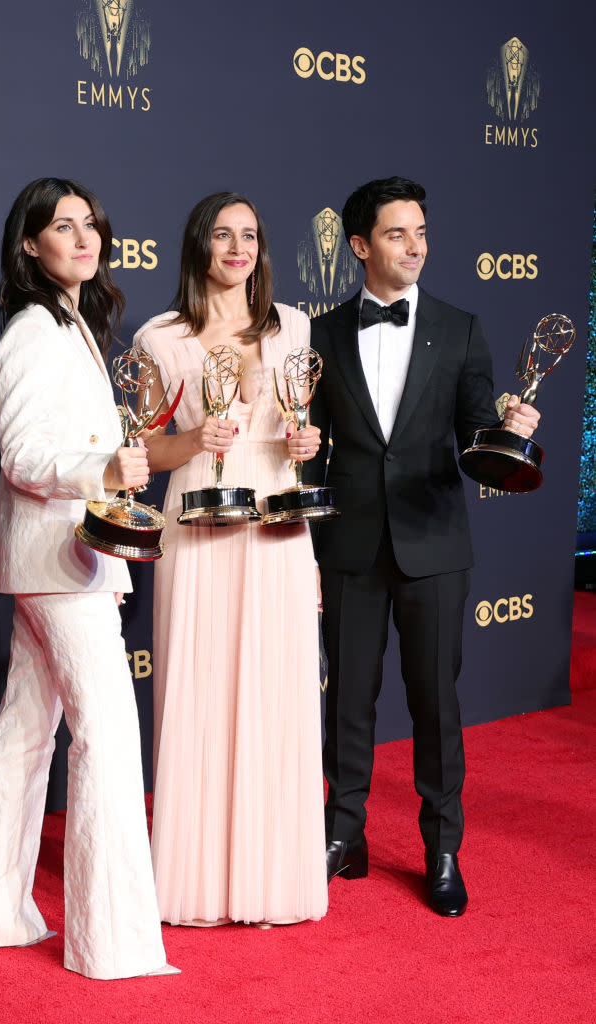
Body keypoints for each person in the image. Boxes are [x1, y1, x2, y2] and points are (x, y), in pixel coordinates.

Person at [0, 177, 176, 979]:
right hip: (59, 562)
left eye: (93, 226)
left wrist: (108, 466)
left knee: (23, 736)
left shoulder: (71, 323)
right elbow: (20, 458)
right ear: (29, 245)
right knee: (106, 736)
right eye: (64, 227)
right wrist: (101, 465)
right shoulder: (31, 333)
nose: (85, 239)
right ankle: (107, 942)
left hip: (62, 560)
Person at [306, 176, 540, 916]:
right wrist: (305, 543)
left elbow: (477, 434)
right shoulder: (319, 334)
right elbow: (308, 451)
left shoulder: (460, 327)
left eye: (421, 234)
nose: (415, 247)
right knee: (346, 699)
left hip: (434, 543)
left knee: (435, 702)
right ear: (358, 247)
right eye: (397, 234)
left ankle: (442, 847)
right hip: (347, 542)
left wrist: (511, 433)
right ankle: (342, 834)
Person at [134, 192, 328, 926]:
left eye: (248, 235)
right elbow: (143, 450)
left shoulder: (294, 329)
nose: (237, 248)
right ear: (198, 246)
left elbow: (299, 429)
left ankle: (271, 882)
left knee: (276, 693)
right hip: (196, 519)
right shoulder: (159, 337)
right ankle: (190, 885)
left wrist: (306, 447)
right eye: (222, 235)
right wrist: (197, 443)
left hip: (276, 524)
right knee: (198, 688)